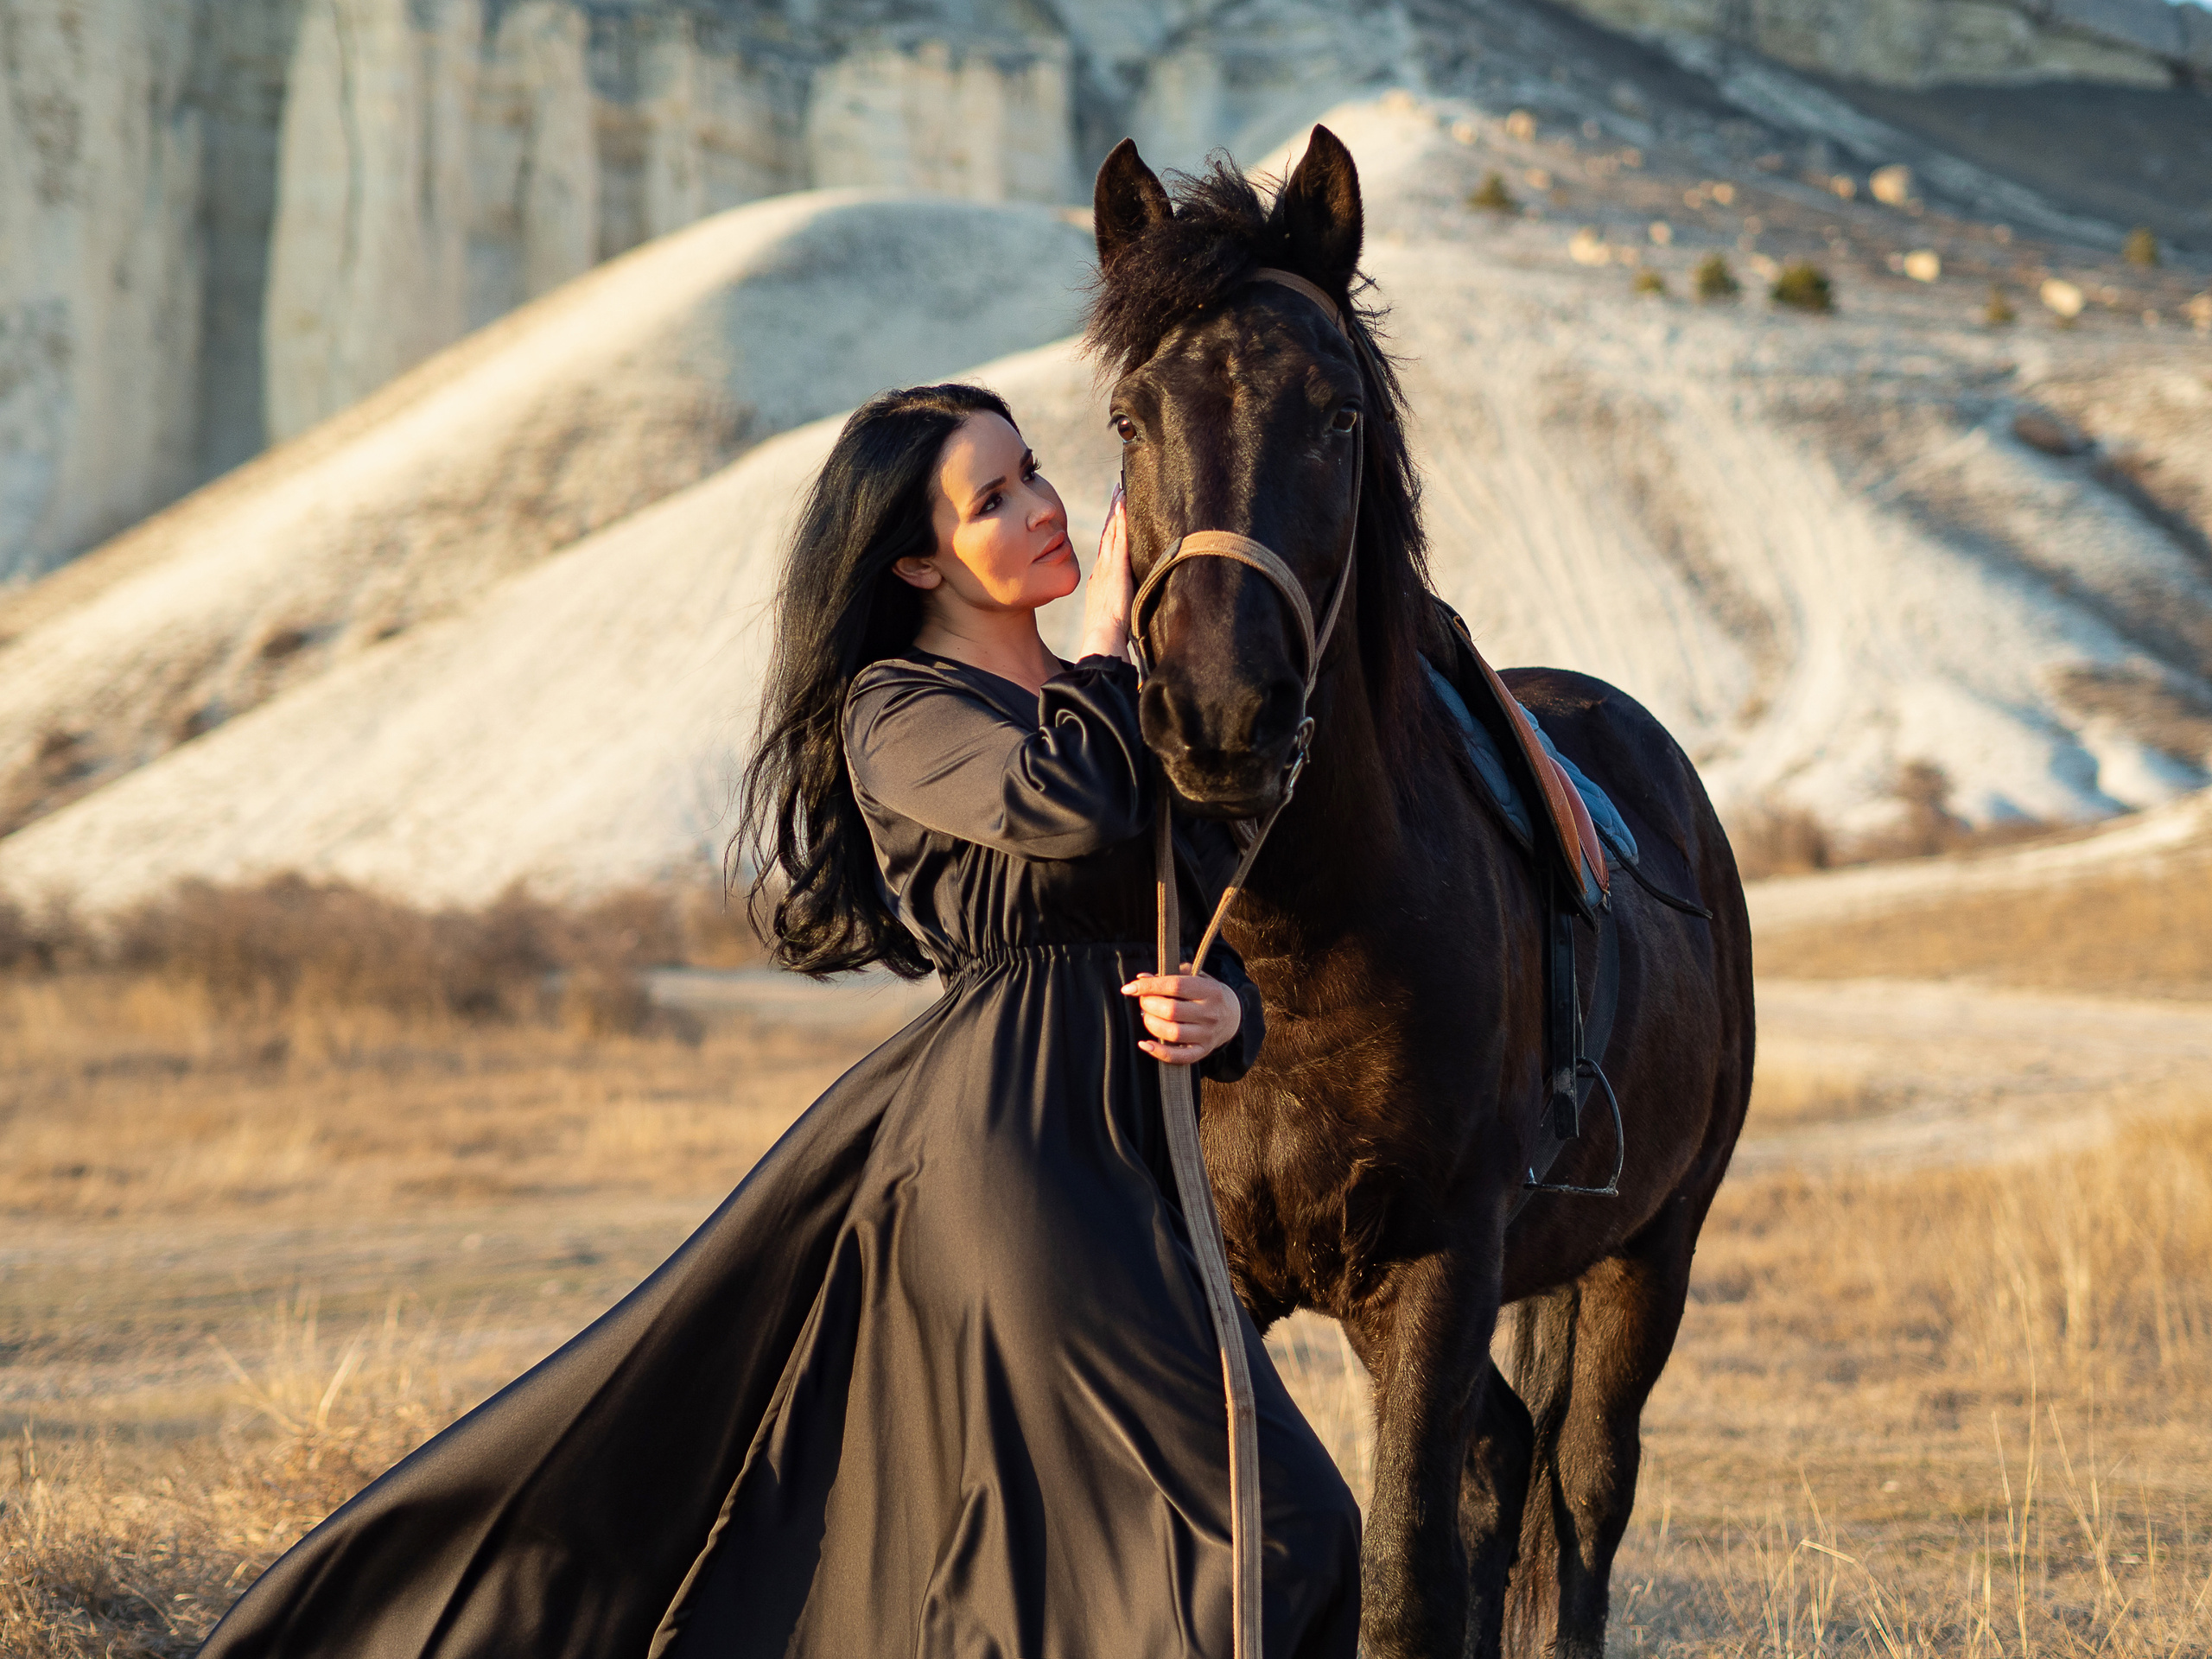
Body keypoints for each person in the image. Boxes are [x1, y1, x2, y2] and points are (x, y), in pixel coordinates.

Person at [195, 383, 1361, 1659]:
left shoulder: (1114, 704)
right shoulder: (902, 712)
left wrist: (1224, 1014)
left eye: (1033, 472)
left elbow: (1189, 905)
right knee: (1267, 1527)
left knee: (1130, 1556)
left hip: (1139, 1151)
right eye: (993, 499)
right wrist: (1105, 647)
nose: (1042, 507)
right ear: (918, 558)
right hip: (1014, 1156)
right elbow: (1072, 807)